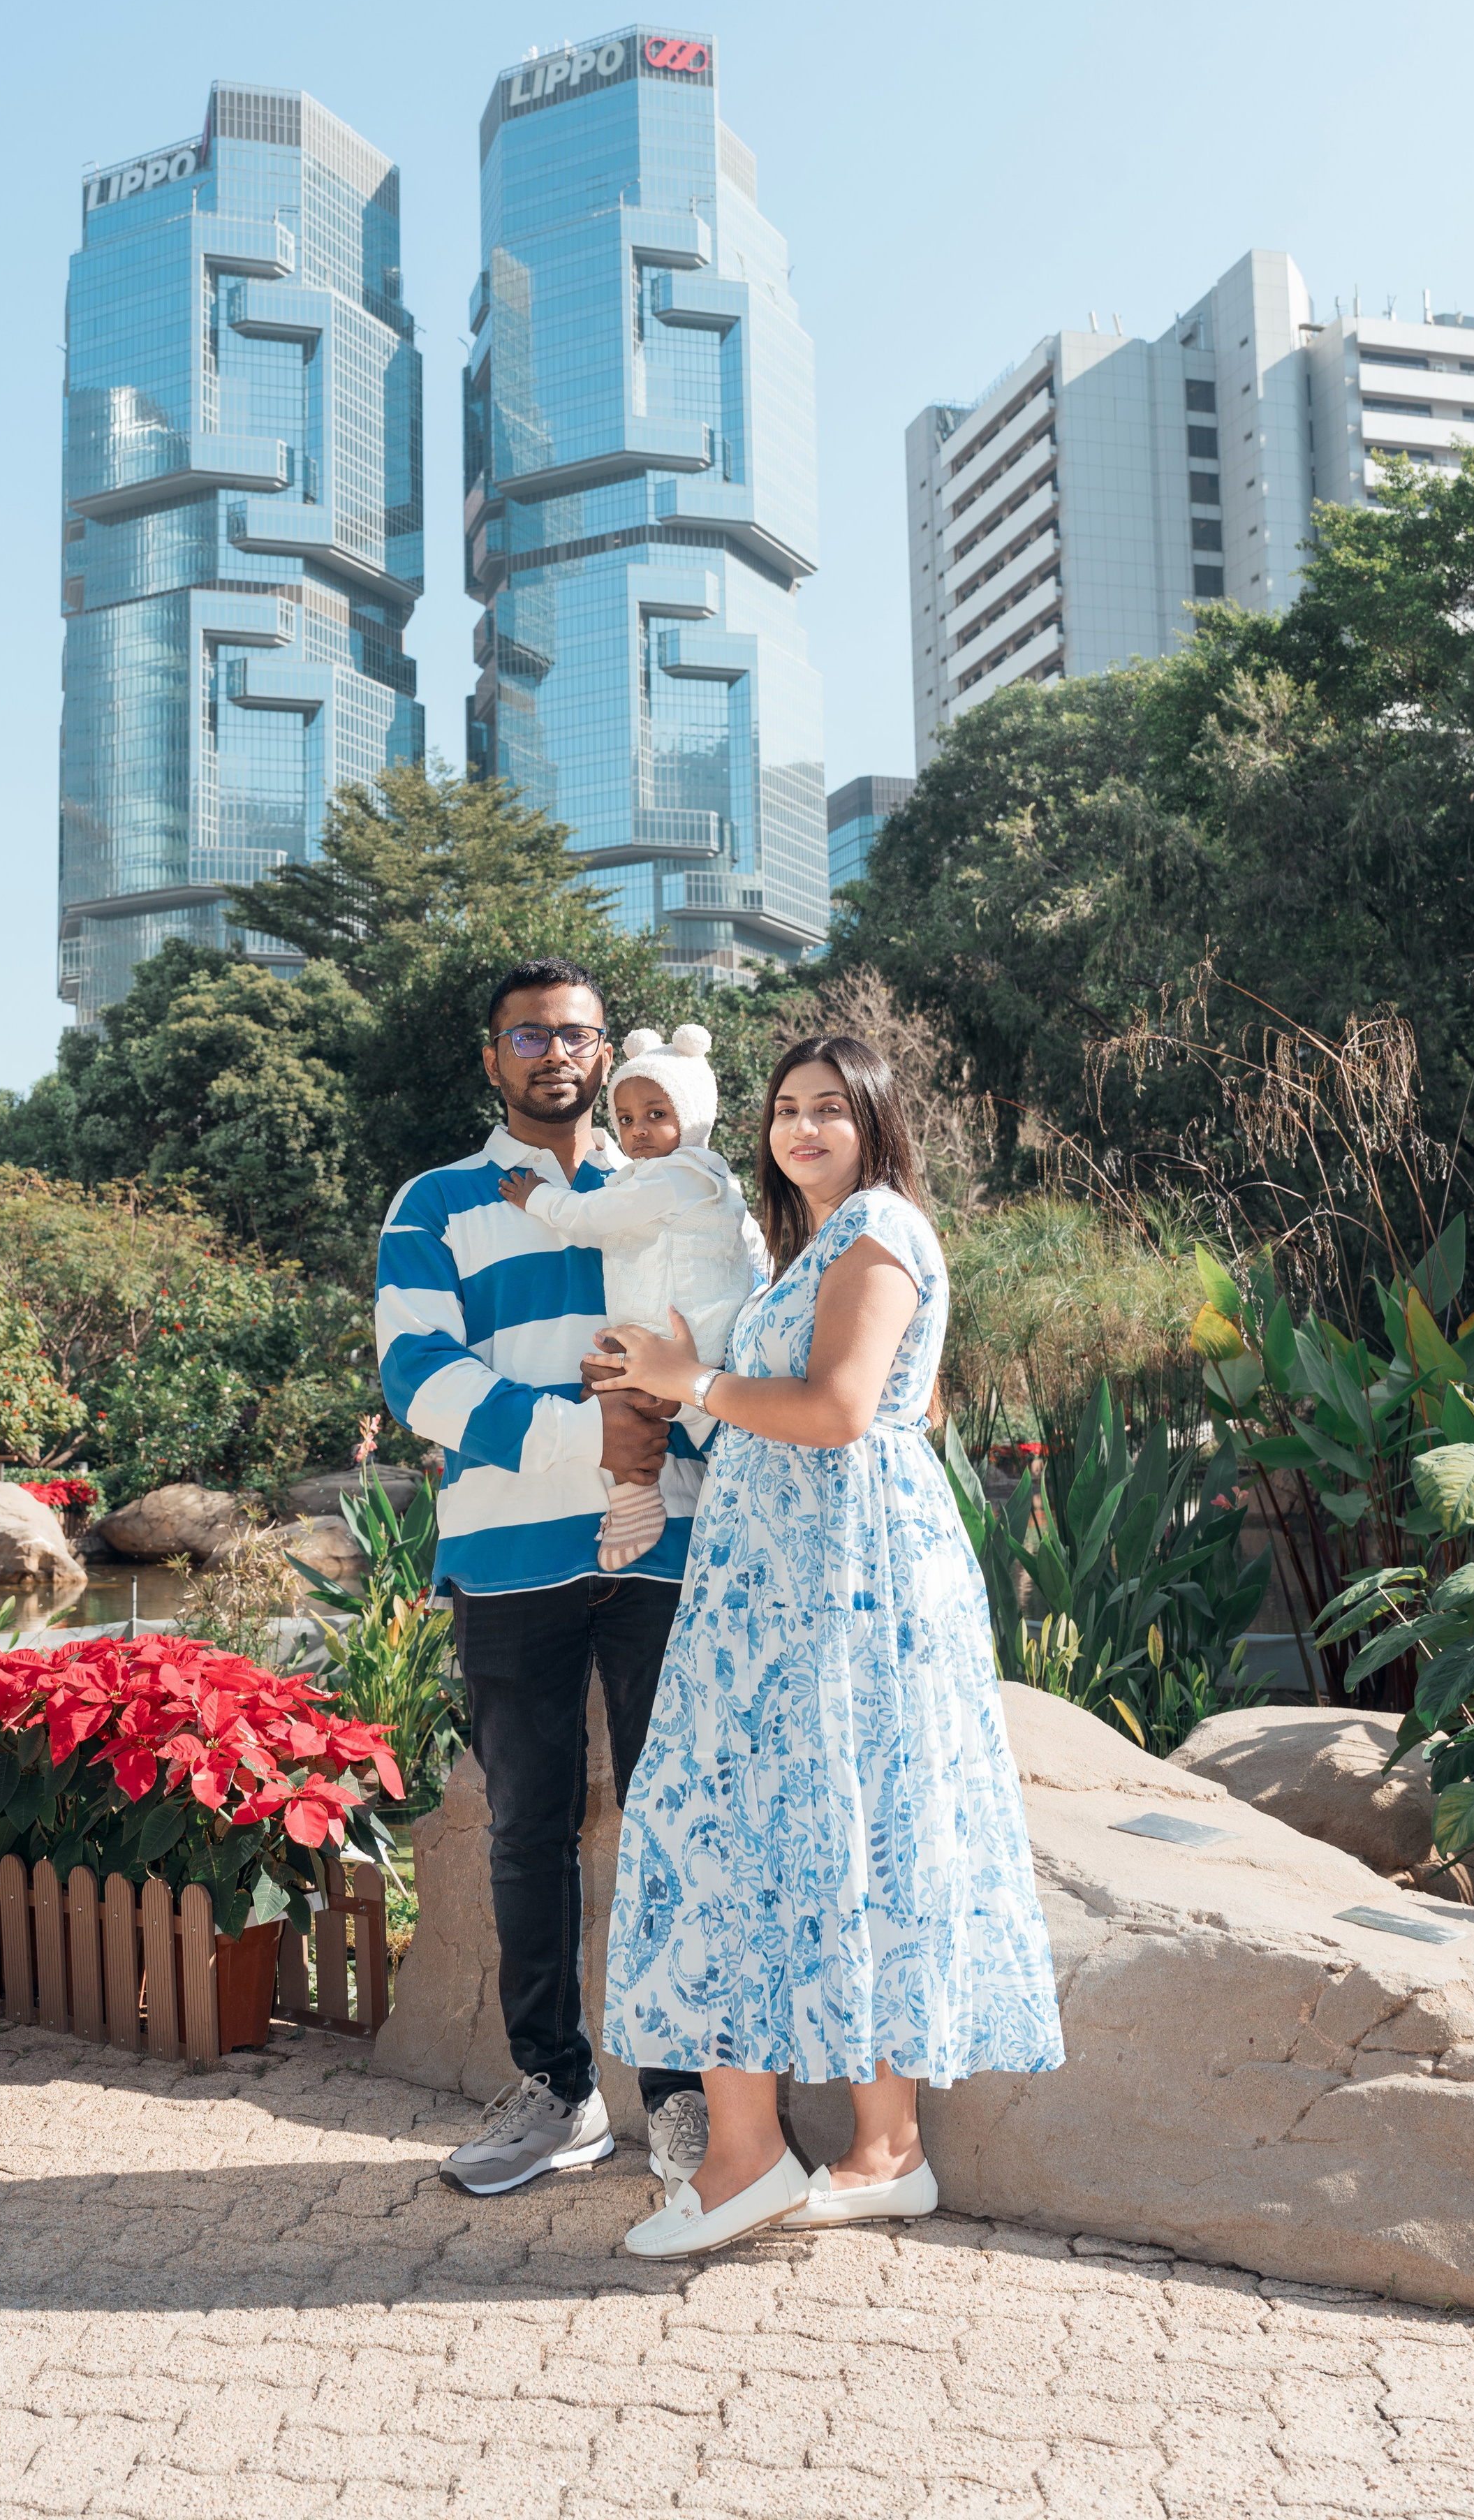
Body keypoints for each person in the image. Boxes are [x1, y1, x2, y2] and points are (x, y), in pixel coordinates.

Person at [597, 1035, 1066, 2257]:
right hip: (806, 1572)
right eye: (784, 1110)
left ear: (872, 1122)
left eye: (827, 1110)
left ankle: (749, 2162)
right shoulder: (826, 1245)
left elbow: (839, 1410)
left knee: (750, 1829)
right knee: (843, 1825)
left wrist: (686, 1380)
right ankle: (885, 2149)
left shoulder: (877, 1232)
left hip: (832, 1582)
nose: (800, 1129)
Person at [375, 958, 712, 2199]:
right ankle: (558, 2093)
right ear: (492, 1058)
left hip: (661, 1547)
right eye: (530, 1036)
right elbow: (421, 1378)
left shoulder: (675, 1190)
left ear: (611, 1049)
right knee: (528, 1830)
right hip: (511, 1556)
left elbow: (714, 1348)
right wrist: (598, 1429)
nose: (555, 1055)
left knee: (673, 1825)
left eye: (576, 1035)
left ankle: (685, 2113)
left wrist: (663, 1436)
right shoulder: (434, 1206)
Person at [499, 1022, 765, 1572]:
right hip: (667, 1331)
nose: (637, 1131)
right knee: (610, 1387)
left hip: (687, 1334)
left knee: (618, 1389)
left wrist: (540, 1199)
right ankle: (646, 1490)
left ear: (693, 1116)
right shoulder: (658, 1175)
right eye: (624, 1119)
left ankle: (642, 1494)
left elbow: (595, 1217)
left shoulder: (687, 1174)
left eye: (657, 1115)